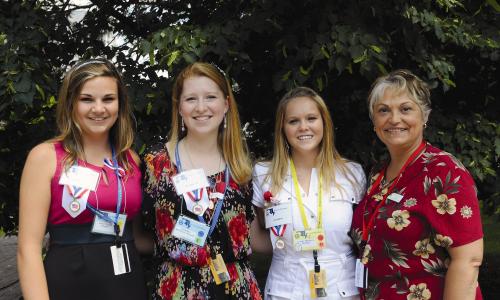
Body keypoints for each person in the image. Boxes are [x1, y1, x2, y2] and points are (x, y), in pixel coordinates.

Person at [17, 58, 147, 300]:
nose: (99, 109)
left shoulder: (130, 160)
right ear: (71, 104)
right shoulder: (45, 157)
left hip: (127, 281)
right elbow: (28, 249)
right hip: (69, 281)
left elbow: (138, 237)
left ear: (120, 104)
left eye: (108, 99)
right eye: (87, 99)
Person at [350, 69, 483, 299]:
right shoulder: (378, 174)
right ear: (374, 122)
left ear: (424, 116)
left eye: (405, 109)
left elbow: (468, 261)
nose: (394, 119)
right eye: (383, 110)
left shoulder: (444, 172)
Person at [142, 62, 262, 299]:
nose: (201, 107)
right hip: (178, 288)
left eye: (210, 97)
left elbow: (255, 237)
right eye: (191, 99)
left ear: (226, 104)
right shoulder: (155, 163)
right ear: (179, 107)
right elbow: (137, 232)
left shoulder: (242, 167)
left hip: (236, 288)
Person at [252, 87, 366, 299]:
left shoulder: (351, 173)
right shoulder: (264, 174)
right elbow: (263, 234)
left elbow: (363, 236)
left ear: (324, 122)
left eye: (311, 118)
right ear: (282, 128)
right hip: (285, 289)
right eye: (293, 121)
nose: (303, 127)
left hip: (341, 288)